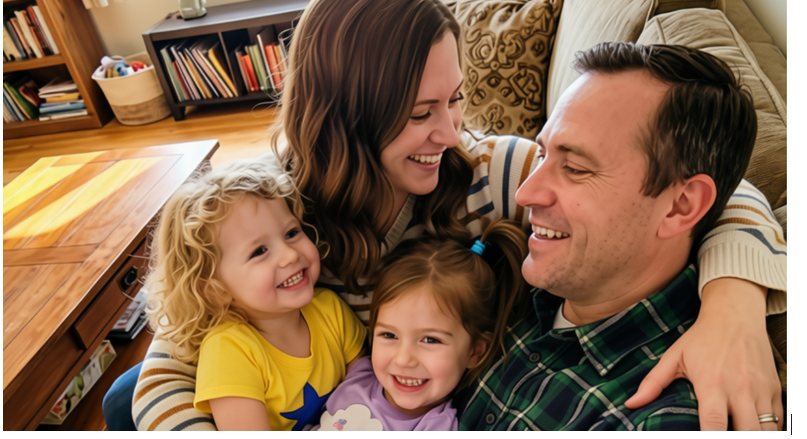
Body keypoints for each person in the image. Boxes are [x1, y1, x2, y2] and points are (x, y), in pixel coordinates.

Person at [104, 0, 786, 431]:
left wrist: (733, 302)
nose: (450, 131)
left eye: (455, 99)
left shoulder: (491, 172)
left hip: (395, 398)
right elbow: (173, 356)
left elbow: (723, 194)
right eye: (419, 113)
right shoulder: (275, 208)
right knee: (124, 394)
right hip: (293, 382)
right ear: (342, 120)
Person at [458, 42, 785, 431]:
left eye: (576, 168)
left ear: (681, 205)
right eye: (543, 155)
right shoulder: (506, 272)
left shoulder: (667, 416)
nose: (525, 194)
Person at [142, 156, 366, 431]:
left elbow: (368, 394)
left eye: (291, 233)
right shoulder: (228, 351)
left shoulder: (331, 309)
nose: (290, 255)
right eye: (259, 251)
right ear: (215, 290)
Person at [315, 219, 529, 430]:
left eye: (430, 340)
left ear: (474, 351)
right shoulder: (358, 373)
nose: (403, 359)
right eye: (389, 335)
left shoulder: (436, 428)